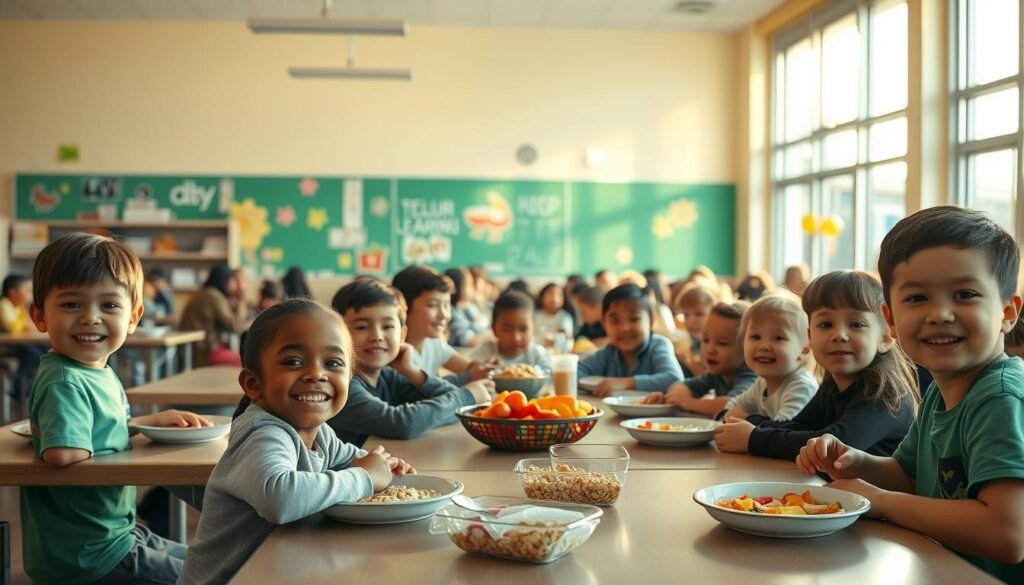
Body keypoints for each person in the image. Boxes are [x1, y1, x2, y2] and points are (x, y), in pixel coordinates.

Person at [798, 207, 1024, 582]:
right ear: (890, 319)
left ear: (1007, 312)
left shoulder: (999, 397)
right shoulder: (941, 391)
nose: (940, 314)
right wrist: (854, 462)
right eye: (917, 299)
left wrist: (879, 500)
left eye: (964, 294)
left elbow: (1007, 532)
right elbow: (909, 475)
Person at [179, 299, 414, 584]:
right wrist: (365, 477)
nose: (316, 374)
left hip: (281, 570)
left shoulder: (318, 431)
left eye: (333, 363)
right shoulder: (264, 433)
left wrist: (387, 466)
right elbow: (279, 498)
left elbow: (349, 456)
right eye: (293, 362)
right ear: (253, 384)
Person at [22, 232, 212, 585]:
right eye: (71, 305)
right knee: (212, 577)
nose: (90, 318)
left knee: (218, 563)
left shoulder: (95, 371)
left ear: (133, 316)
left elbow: (93, 429)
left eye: (109, 306)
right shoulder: (65, 380)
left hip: (115, 532)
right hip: (88, 554)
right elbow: (64, 454)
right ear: (39, 315)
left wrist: (139, 424)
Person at [732, 271, 918, 460]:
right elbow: (802, 425)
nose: (839, 335)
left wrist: (753, 438)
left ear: (885, 337)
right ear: (810, 337)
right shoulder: (833, 382)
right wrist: (749, 422)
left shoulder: (887, 395)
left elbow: (833, 445)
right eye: (825, 324)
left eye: (856, 324)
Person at [327, 279, 491, 447]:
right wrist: (467, 395)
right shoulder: (342, 384)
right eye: (362, 327)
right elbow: (402, 424)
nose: (377, 336)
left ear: (402, 335)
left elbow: (449, 402)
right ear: (337, 334)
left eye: (387, 326)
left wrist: (414, 372)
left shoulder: (387, 375)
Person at [711, 294, 819, 452]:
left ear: (804, 348)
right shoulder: (762, 383)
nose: (764, 346)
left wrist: (746, 419)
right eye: (755, 337)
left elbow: (783, 433)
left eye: (778, 338)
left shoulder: (801, 386)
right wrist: (729, 416)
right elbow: (731, 408)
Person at [642, 301, 758, 410]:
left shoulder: (751, 377)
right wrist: (668, 398)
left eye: (722, 343)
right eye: (706, 340)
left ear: (747, 347)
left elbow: (732, 405)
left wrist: (690, 403)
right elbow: (683, 385)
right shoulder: (716, 374)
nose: (710, 349)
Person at [577, 284, 684, 397]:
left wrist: (626, 383)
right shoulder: (608, 353)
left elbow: (674, 379)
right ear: (604, 325)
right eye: (615, 321)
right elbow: (576, 370)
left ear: (651, 321)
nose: (624, 328)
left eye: (634, 319)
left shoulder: (658, 345)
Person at [391, 266, 495, 382]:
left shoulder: (432, 344)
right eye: (432, 305)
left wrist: (486, 367)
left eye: (446, 305)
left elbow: (469, 367)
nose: (444, 315)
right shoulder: (392, 352)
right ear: (404, 306)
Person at [179, 264, 246, 367]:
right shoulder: (214, 296)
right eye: (232, 281)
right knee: (247, 362)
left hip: (196, 352)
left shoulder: (203, 293)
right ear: (224, 280)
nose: (234, 285)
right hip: (207, 353)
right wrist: (241, 298)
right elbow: (236, 327)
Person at [470, 291, 552, 371]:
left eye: (523, 329)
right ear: (494, 329)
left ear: (534, 329)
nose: (516, 338)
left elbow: (550, 375)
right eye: (507, 330)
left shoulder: (537, 355)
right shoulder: (483, 354)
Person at [0, 274, 45, 397]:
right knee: (32, 352)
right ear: (12, 292)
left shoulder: (18, 307)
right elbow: (13, 328)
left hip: (17, 344)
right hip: (5, 346)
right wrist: (26, 324)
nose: (30, 294)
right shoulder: (4, 305)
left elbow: (30, 327)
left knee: (43, 349)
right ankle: (21, 385)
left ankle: (31, 382)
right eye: (27, 290)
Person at [673, 284, 720, 376]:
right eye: (686, 315)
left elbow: (713, 377)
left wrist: (688, 361)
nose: (691, 321)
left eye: (699, 314)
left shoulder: (719, 344)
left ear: (714, 313)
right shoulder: (687, 342)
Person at [444, 267, 490, 347]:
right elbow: (469, 341)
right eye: (468, 285)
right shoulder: (452, 312)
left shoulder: (466, 307)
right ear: (457, 287)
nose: (472, 289)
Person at [534, 282, 574, 349]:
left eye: (559, 295)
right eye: (550, 294)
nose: (554, 298)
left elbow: (567, 334)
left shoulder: (564, 316)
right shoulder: (535, 316)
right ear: (542, 296)